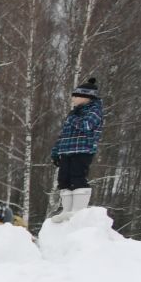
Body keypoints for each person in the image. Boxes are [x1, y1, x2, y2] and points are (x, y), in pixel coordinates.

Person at [52, 78, 105, 219]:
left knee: (78, 177)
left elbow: (87, 125)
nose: (73, 99)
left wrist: (72, 119)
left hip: (82, 150)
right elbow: (63, 134)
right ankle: (67, 210)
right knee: (63, 179)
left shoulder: (95, 111)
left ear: (86, 97)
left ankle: (77, 211)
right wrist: (56, 151)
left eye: (75, 96)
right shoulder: (73, 113)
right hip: (66, 150)